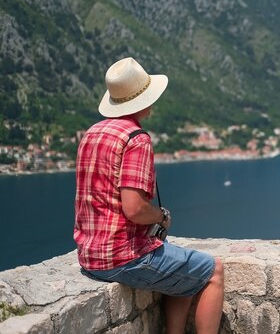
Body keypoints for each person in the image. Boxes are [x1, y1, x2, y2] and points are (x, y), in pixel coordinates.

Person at [74, 57, 224, 334]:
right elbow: (134, 209)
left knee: (183, 273)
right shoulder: (136, 139)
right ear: (143, 100)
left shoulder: (91, 133)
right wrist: (162, 216)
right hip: (121, 258)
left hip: (89, 256)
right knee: (213, 271)